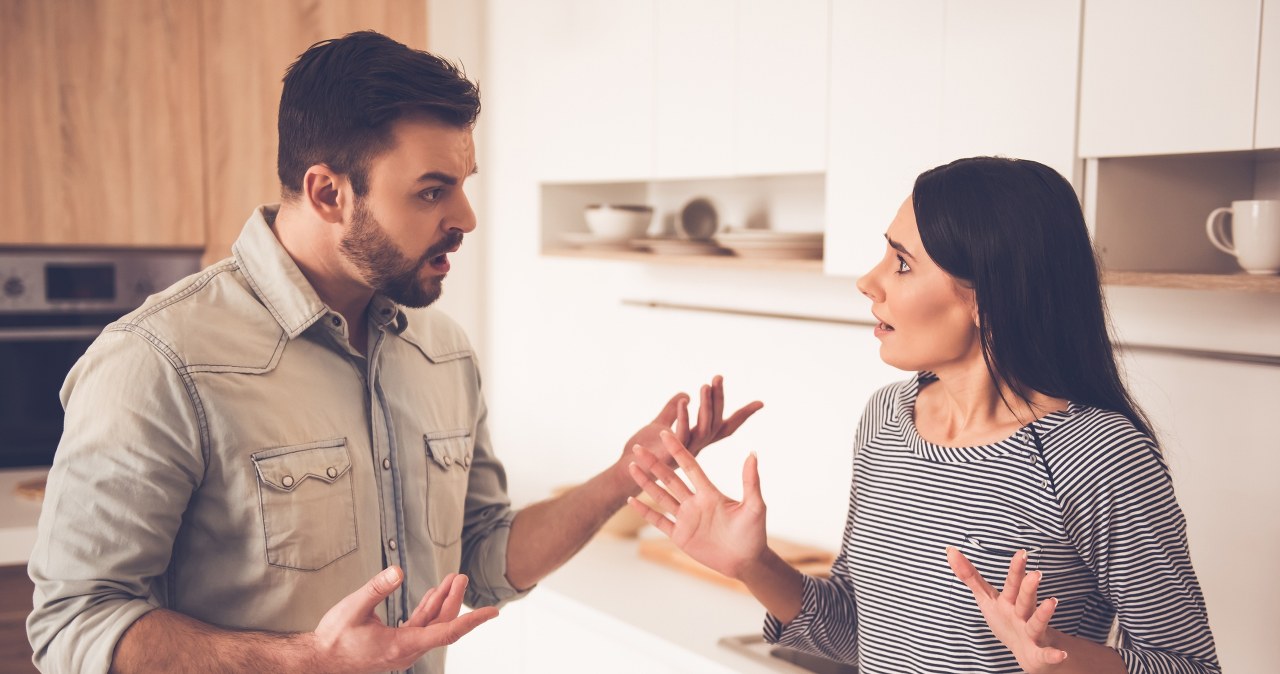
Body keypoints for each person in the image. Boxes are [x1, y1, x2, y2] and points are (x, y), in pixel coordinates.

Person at [25, 31, 762, 674]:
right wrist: (308, 662)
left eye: (462, 186)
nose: (465, 216)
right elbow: (74, 625)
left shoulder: (443, 352)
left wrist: (624, 476)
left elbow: (482, 556)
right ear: (327, 193)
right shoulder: (158, 361)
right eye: (432, 191)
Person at [627, 157, 1221, 673]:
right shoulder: (887, 419)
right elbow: (857, 632)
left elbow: (1191, 666)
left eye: (902, 264)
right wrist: (754, 566)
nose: (868, 281)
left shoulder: (1098, 455)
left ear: (986, 297)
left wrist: (1059, 656)